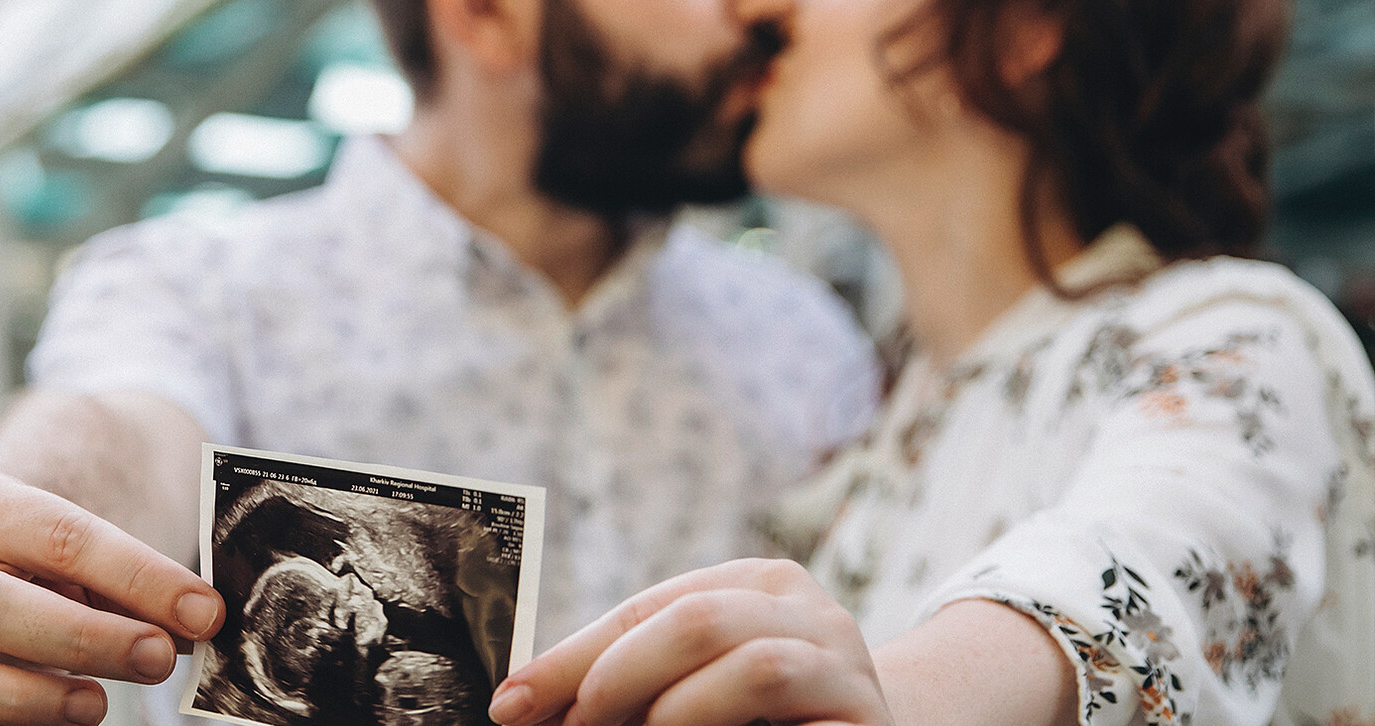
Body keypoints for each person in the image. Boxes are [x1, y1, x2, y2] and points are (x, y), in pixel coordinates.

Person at [0, 0, 881, 723]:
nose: (763, 9)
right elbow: (120, 425)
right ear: (486, 16)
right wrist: (19, 528)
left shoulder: (804, 341)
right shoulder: (197, 289)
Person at [488, 0, 1375, 724]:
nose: (758, 9)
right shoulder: (888, 409)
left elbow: (1155, 566)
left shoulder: (1235, 329)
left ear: (1028, 28)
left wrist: (892, 692)